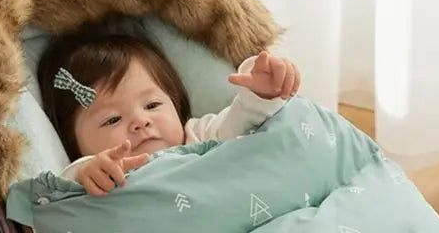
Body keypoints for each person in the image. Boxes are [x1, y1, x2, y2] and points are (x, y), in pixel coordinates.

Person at [38, 26, 300, 197]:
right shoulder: (96, 175)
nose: (141, 121)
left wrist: (261, 93)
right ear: (73, 141)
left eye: (152, 105)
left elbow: (243, 119)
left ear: (175, 102)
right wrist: (85, 172)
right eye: (113, 119)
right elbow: (60, 193)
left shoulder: (199, 136)